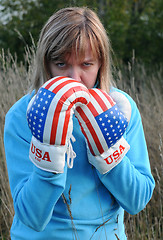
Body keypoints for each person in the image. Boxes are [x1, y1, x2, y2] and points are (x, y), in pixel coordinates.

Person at [4, 6, 155, 240]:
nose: (75, 78)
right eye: (62, 64)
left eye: (86, 64)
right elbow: (31, 218)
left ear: (101, 64)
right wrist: (48, 154)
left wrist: (110, 155)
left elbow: (137, 201)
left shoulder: (121, 109)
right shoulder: (23, 115)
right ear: (46, 63)